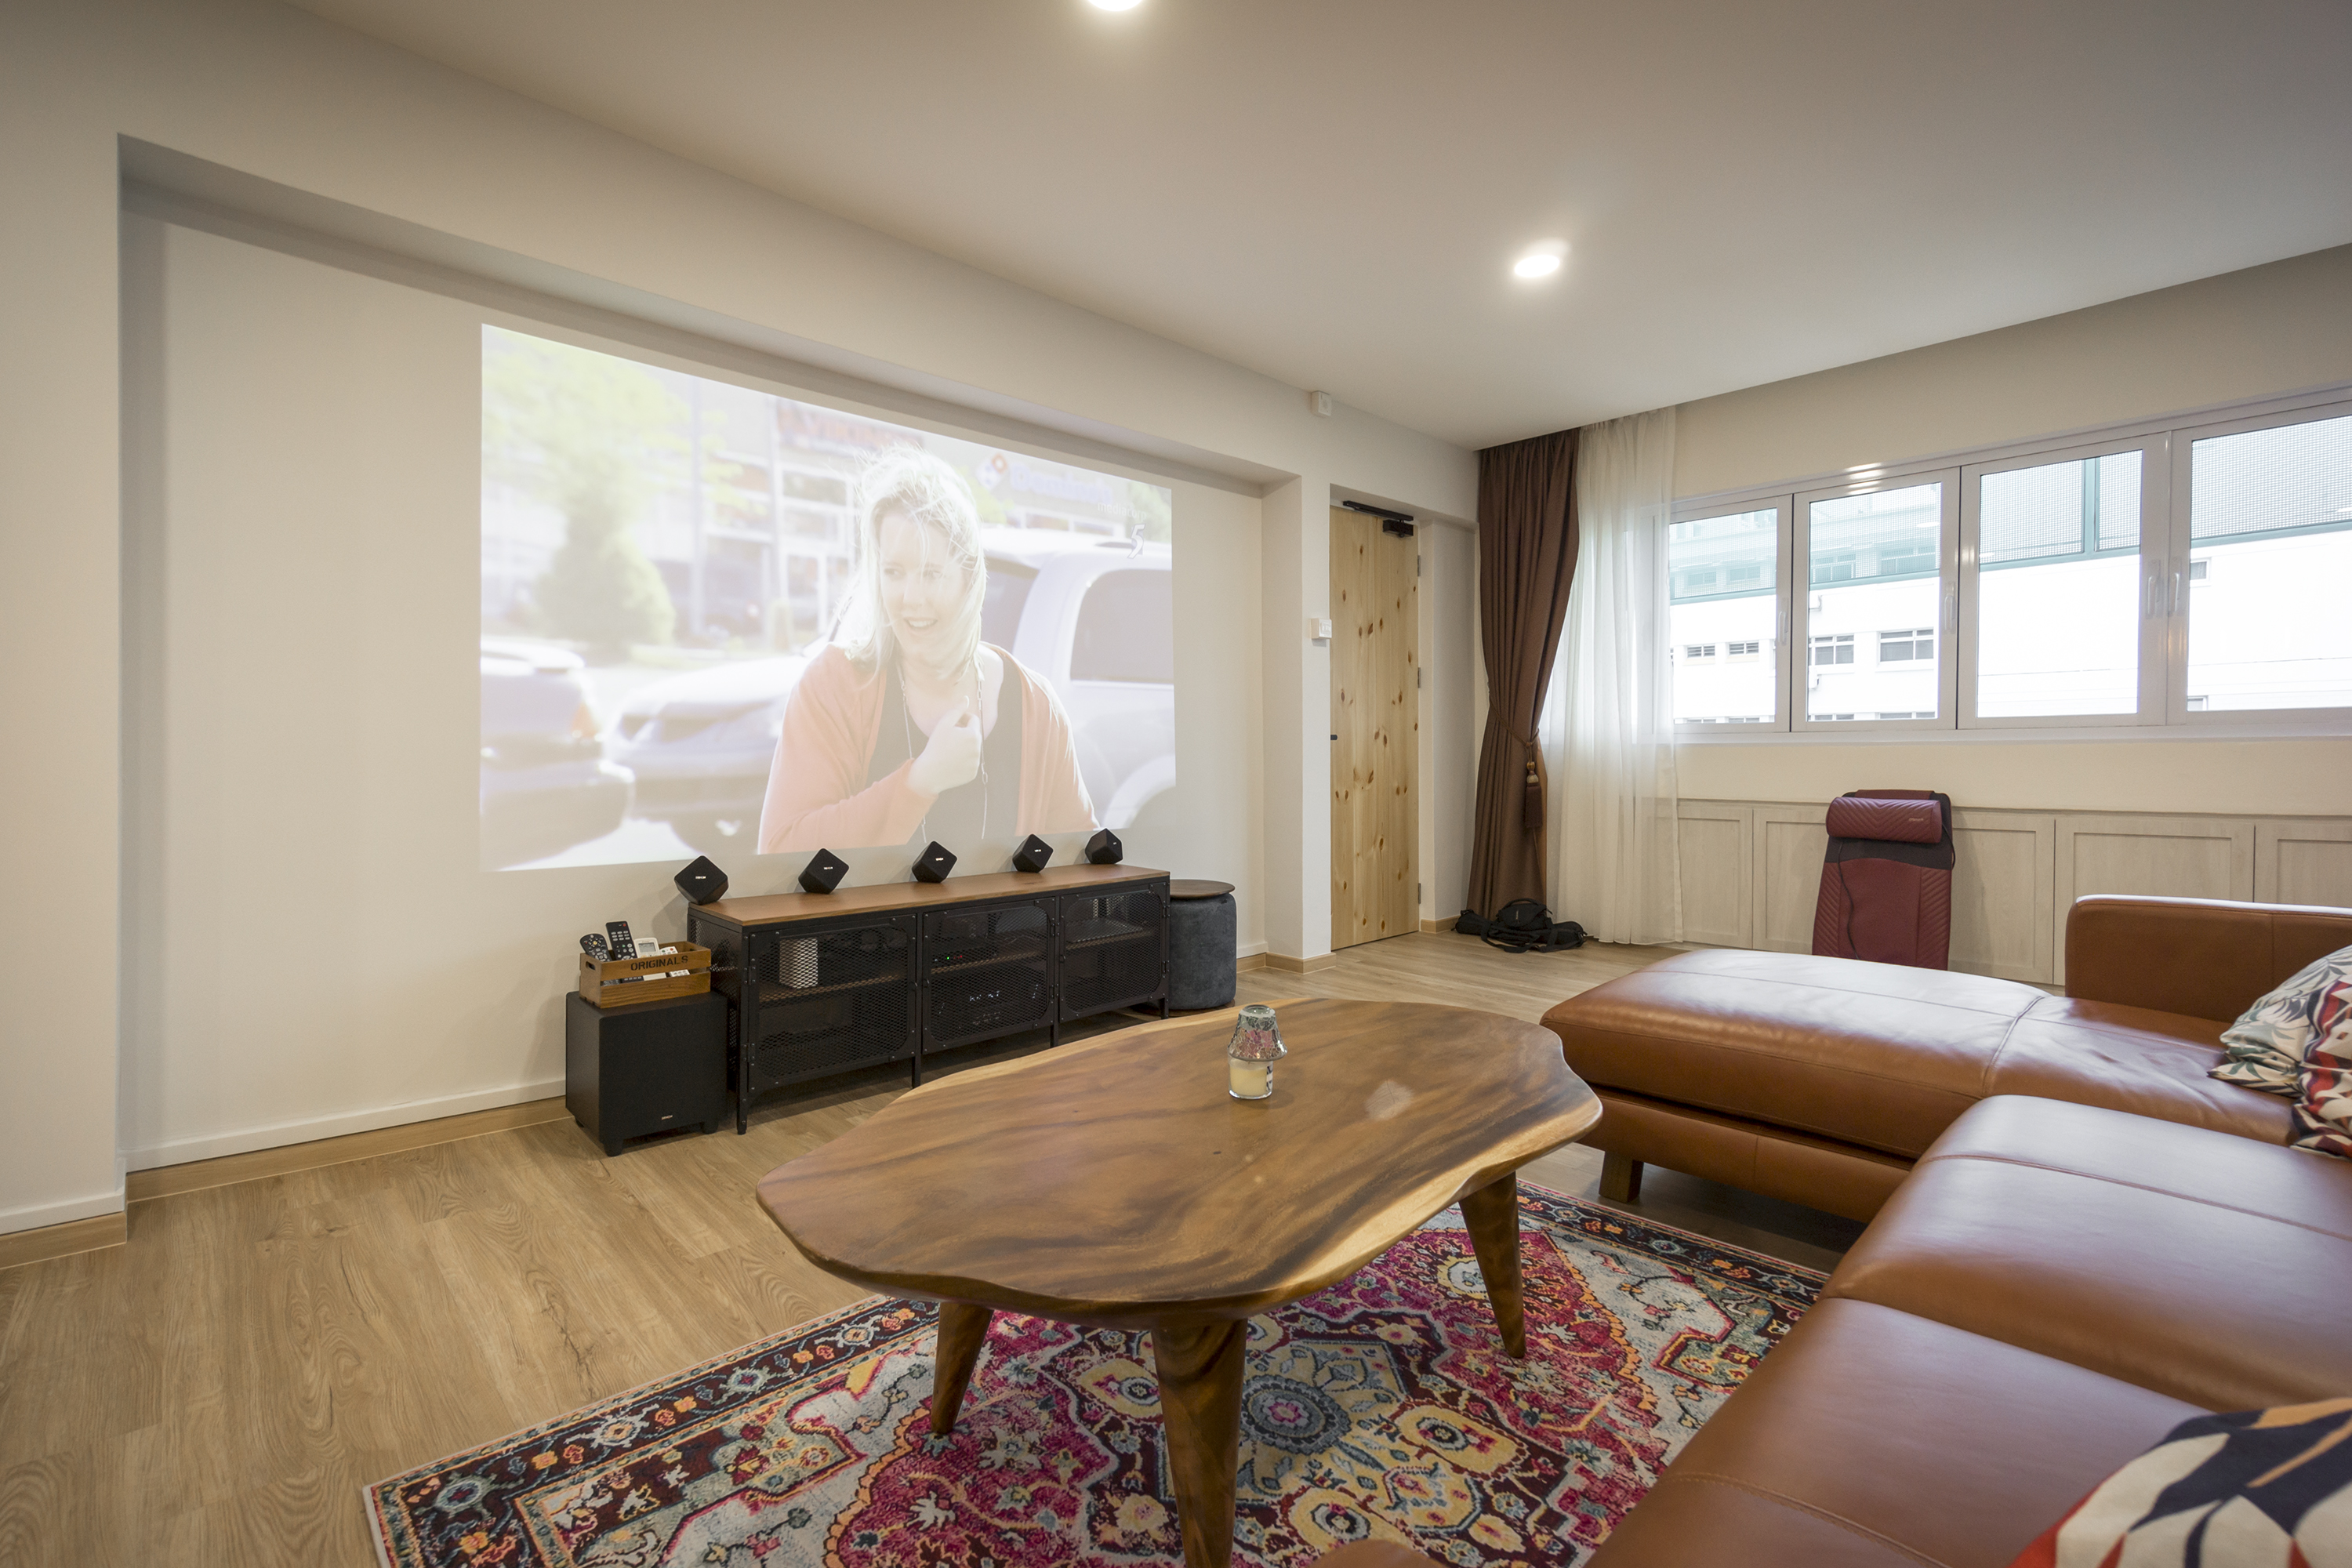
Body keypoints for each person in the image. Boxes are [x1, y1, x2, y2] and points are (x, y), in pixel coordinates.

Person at [757, 447, 1097, 855]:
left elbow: (1081, 864)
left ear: (969, 579)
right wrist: (919, 782)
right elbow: (781, 852)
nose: (910, 598)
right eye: (894, 573)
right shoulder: (834, 684)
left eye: (932, 574)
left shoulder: (1036, 706)